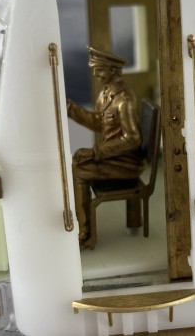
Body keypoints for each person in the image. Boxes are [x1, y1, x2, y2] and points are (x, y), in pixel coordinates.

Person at [66, 46, 145, 248]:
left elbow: (132, 139)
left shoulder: (124, 99)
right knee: (77, 160)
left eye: (99, 69)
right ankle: (83, 228)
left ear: (113, 70)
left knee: (79, 170)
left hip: (127, 162)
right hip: (114, 156)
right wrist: (71, 109)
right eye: (94, 69)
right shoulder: (105, 94)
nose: (95, 74)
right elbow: (97, 123)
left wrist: (95, 152)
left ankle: (85, 234)